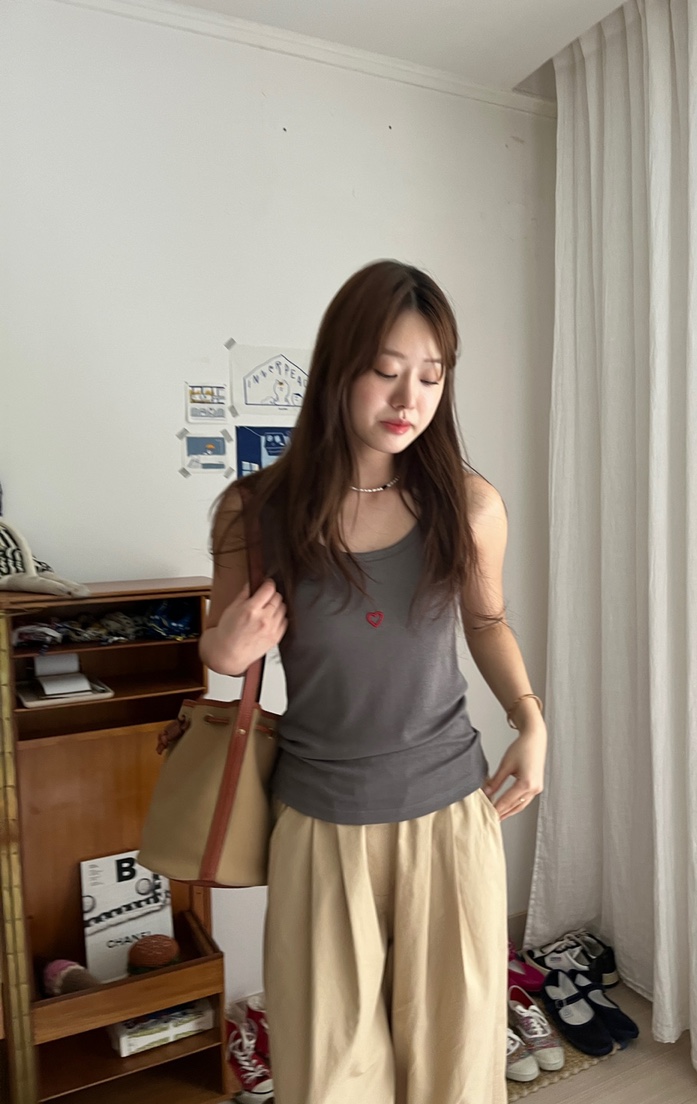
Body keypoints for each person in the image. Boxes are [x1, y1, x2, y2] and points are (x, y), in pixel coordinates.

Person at [200, 260, 547, 1104]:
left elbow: (487, 622)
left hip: (451, 818)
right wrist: (228, 649)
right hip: (320, 826)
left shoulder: (468, 503)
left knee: (454, 1065)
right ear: (338, 368)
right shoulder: (257, 511)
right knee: (328, 1071)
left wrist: (530, 720)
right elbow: (221, 649)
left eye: (431, 376)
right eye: (387, 371)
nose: (408, 399)